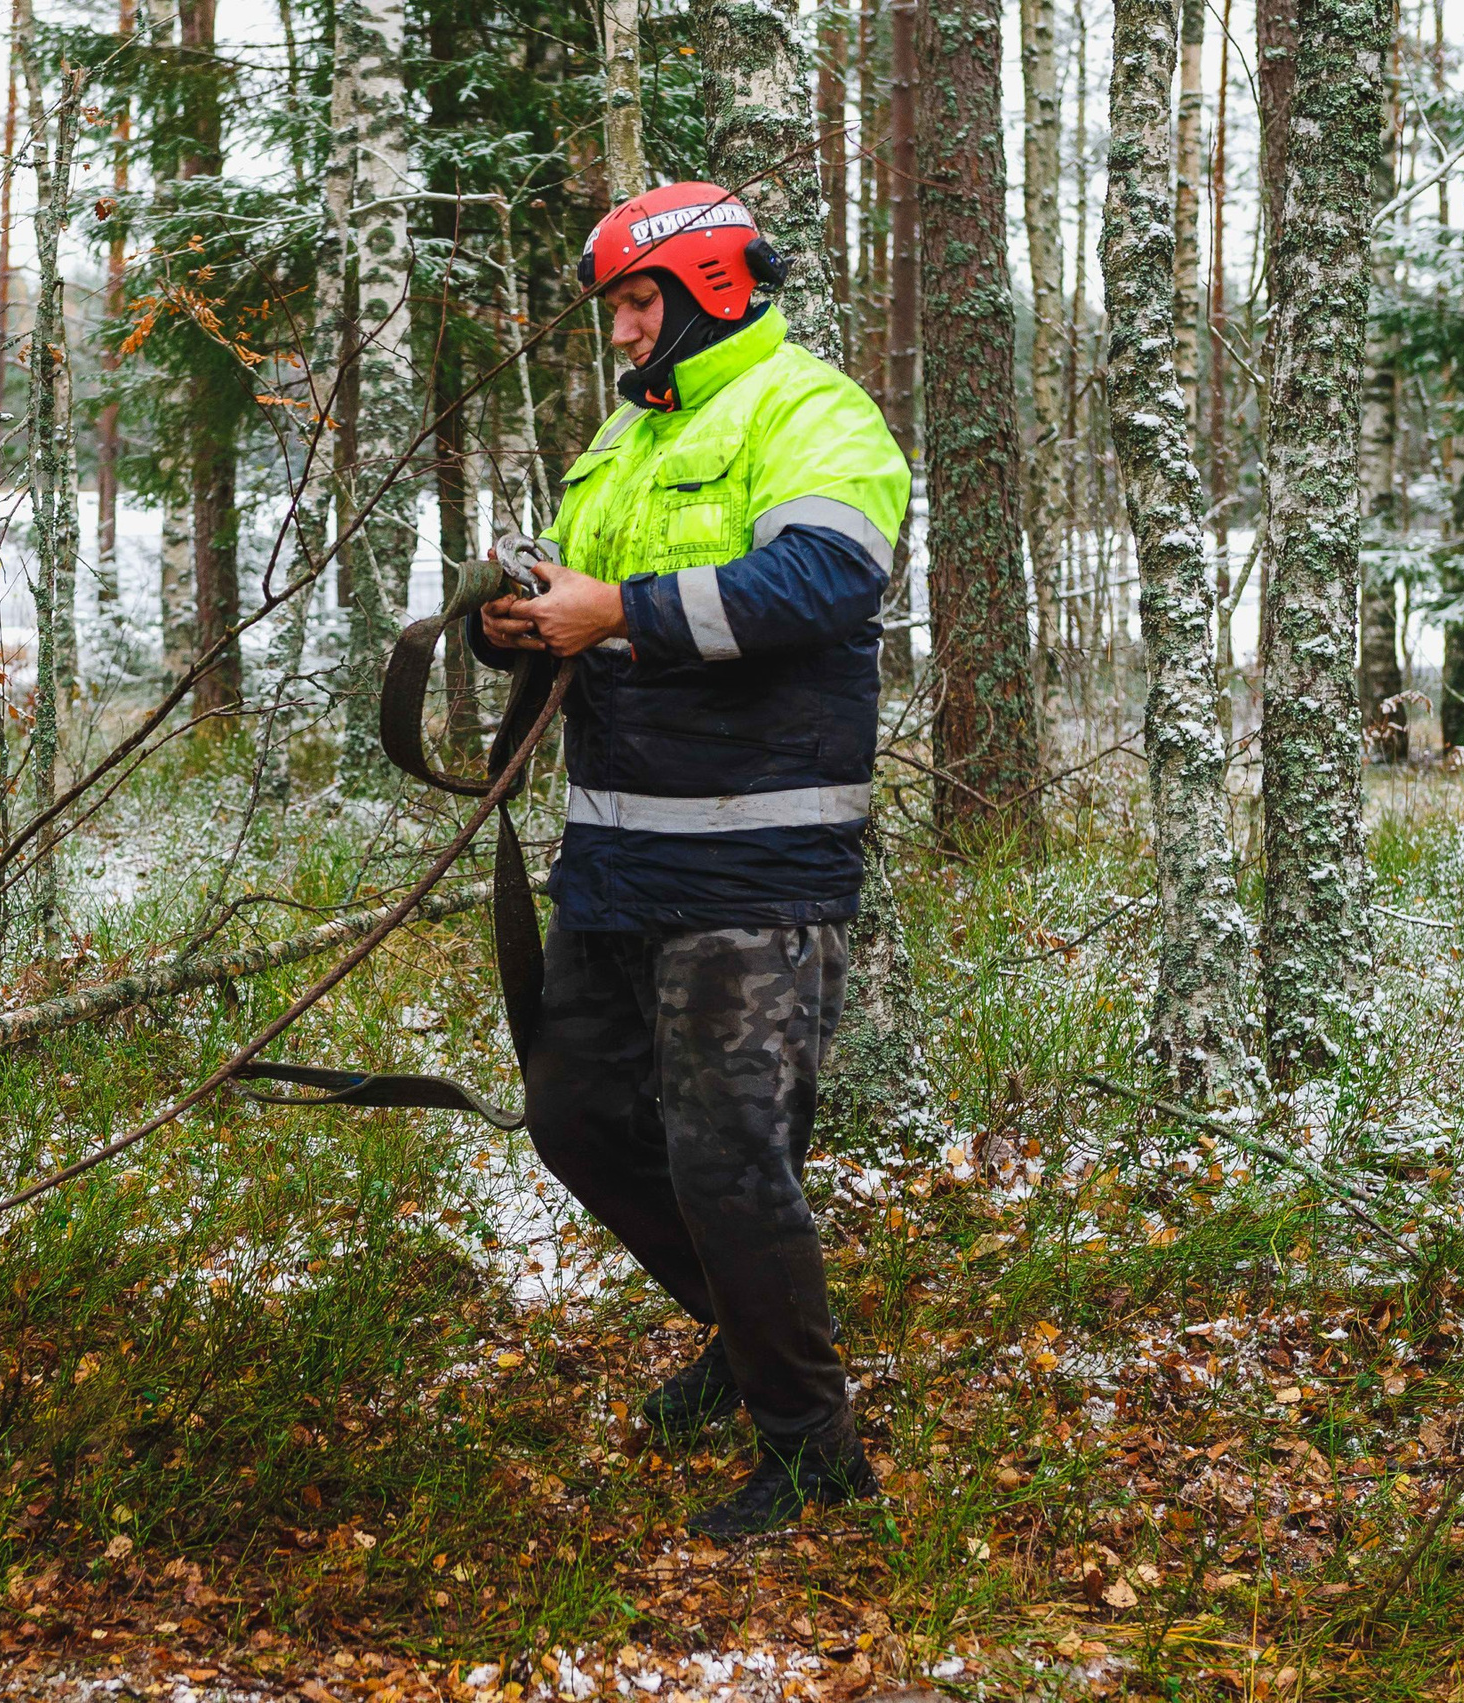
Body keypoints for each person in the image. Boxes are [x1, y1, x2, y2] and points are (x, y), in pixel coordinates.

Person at [472, 182, 911, 1536]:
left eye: (636, 301)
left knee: (729, 1160)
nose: (619, 332)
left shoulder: (808, 409)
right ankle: (744, 1327)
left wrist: (624, 612)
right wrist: (523, 625)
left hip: (759, 865)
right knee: (578, 1118)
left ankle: (812, 1446)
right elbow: (588, 613)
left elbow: (832, 579)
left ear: (715, 287)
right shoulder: (628, 438)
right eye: (614, 306)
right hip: (615, 856)